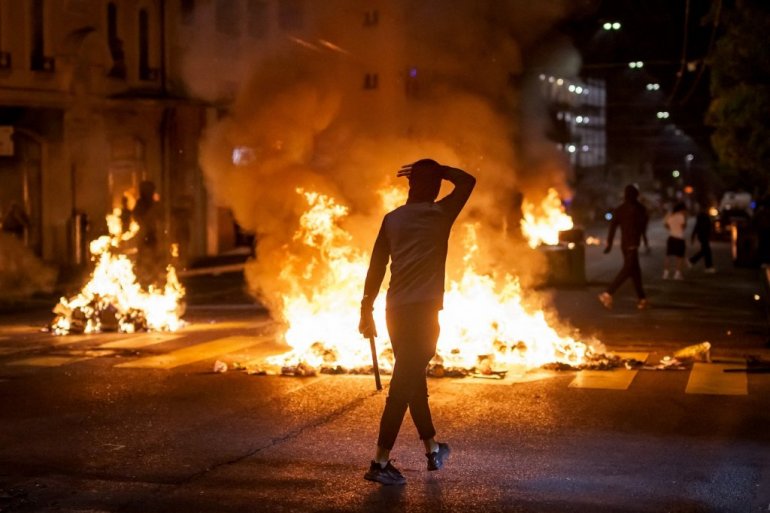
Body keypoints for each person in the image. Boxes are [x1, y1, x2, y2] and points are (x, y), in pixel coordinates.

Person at [359, 159, 475, 485]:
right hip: (424, 314)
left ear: (410, 186)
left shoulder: (392, 219)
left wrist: (366, 309)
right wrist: (440, 170)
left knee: (412, 380)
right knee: (402, 386)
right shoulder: (441, 214)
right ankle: (379, 462)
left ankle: (432, 448)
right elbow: (467, 181)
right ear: (436, 187)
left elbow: (376, 267)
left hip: (395, 312)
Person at [598, 184, 649, 310]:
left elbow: (612, 228)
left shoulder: (620, 209)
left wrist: (609, 244)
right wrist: (644, 241)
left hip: (625, 245)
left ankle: (642, 299)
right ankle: (608, 293)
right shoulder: (640, 208)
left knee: (635, 271)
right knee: (628, 270)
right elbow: (643, 227)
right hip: (632, 244)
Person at [131, 180, 164, 287]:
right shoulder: (141, 204)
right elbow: (137, 216)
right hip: (145, 235)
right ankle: (143, 281)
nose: (151, 192)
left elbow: (161, 217)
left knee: (155, 258)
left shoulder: (154, 203)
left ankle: (154, 281)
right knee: (144, 258)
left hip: (153, 234)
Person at [663, 202, 687, 280]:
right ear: (682, 209)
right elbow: (683, 227)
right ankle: (677, 274)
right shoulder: (681, 216)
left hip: (671, 238)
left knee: (668, 256)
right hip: (679, 239)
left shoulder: (671, 216)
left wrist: (671, 229)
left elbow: (666, 225)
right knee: (679, 257)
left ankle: (665, 273)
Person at [688, 204, 715, 273]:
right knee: (706, 251)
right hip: (703, 235)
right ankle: (708, 266)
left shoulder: (703, 216)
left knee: (705, 251)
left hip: (703, 235)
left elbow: (697, 226)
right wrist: (693, 236)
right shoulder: (703, 216)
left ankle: (707, 266)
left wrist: (693, 236)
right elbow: (698, 226)